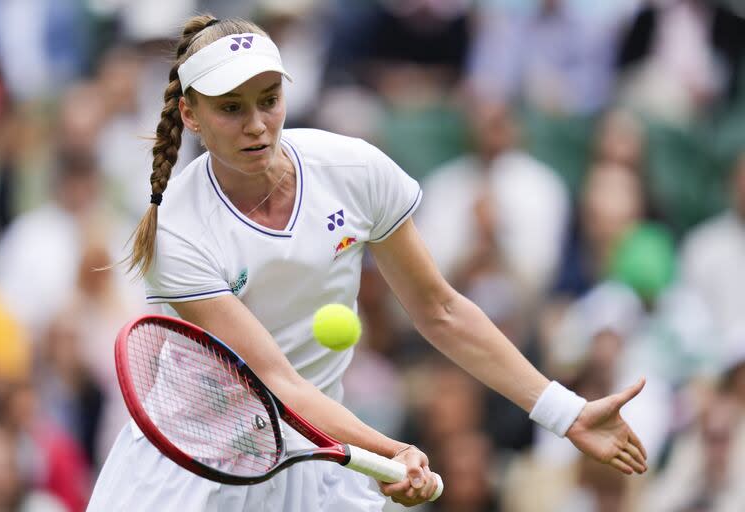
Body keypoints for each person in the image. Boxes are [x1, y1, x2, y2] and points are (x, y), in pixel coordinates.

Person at [87, 14, 648, 511]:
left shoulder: (352, 171)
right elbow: (279, 381)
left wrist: (565, 412)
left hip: (315, 459)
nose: (257, 124)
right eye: (231, 108)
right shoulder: (178, 230)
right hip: (194, 469)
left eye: (268, 99)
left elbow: (441, 311)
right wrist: (389, 452)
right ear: (190, 114)